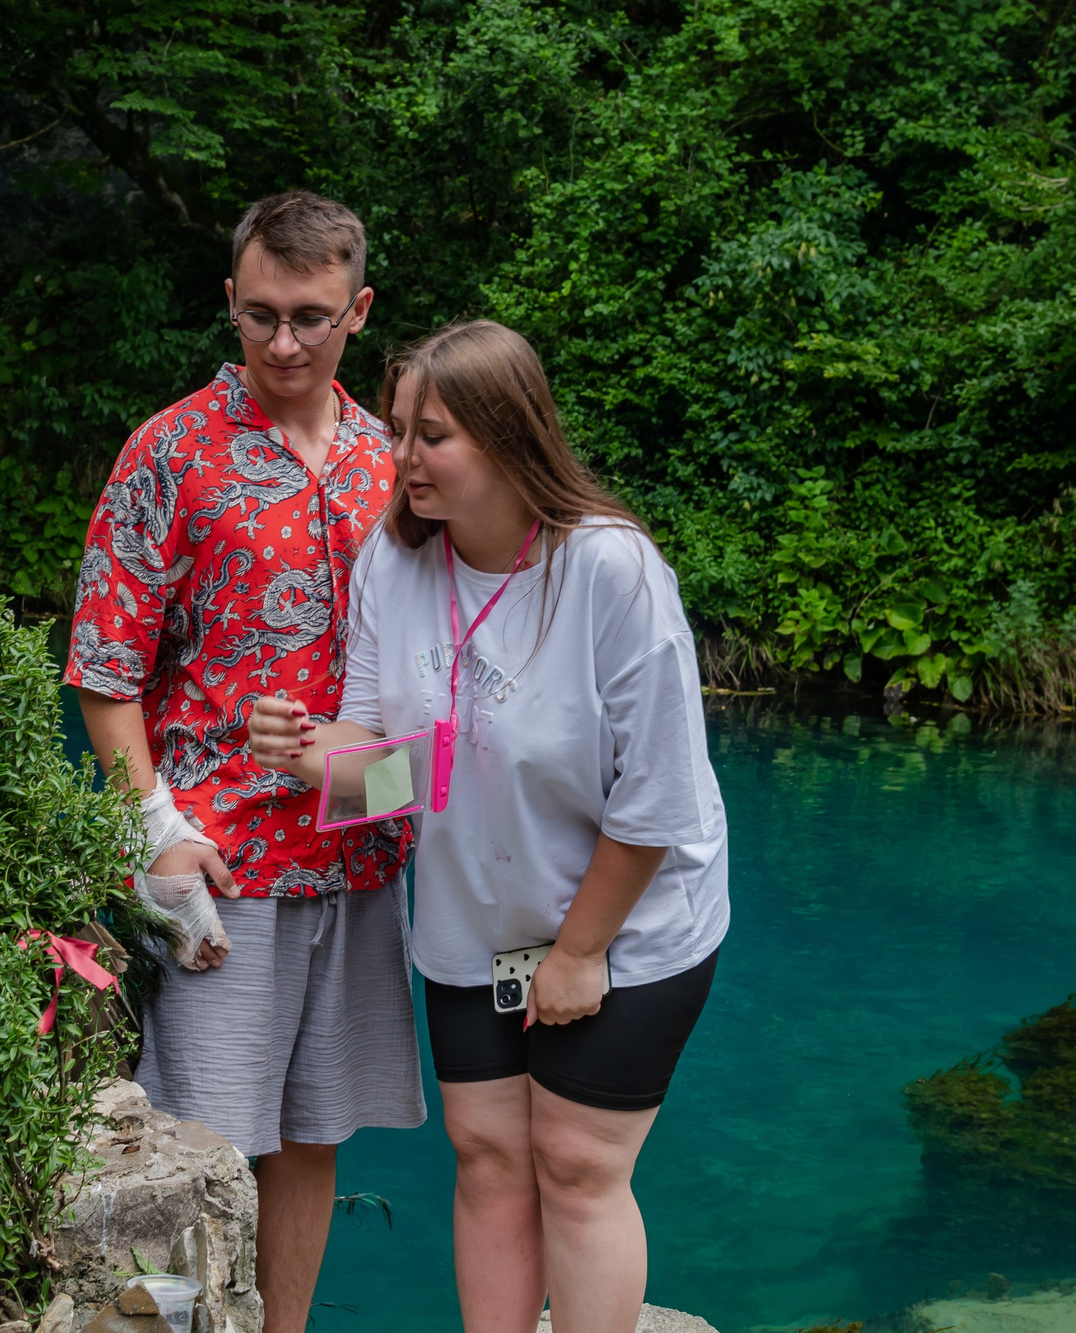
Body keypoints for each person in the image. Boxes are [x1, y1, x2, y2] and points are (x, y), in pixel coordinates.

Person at [247, 318, 729, 1333]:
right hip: (477, 922)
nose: (402, 456)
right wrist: (306, 754)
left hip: (630, 922)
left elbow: (658, 800)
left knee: (577, 1161)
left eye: (432, 435)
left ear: (511, 439)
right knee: (488, 1154)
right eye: (397, 430)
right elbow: (395, 773)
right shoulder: (393, 563)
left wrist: (581, 953)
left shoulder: (608, 569)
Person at [65, 190, 424, 1333]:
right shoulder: (169, 450)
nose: (283, 341)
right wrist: (154, 832)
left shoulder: (389, 461)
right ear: (230, 298)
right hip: (220, 869)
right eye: (260, 312)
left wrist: (389, 789)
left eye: (311, 316)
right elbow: (103, 664)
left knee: (313, 1132)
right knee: (196, 1147)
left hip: (361, 854)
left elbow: (435, 686)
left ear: (358, 309)